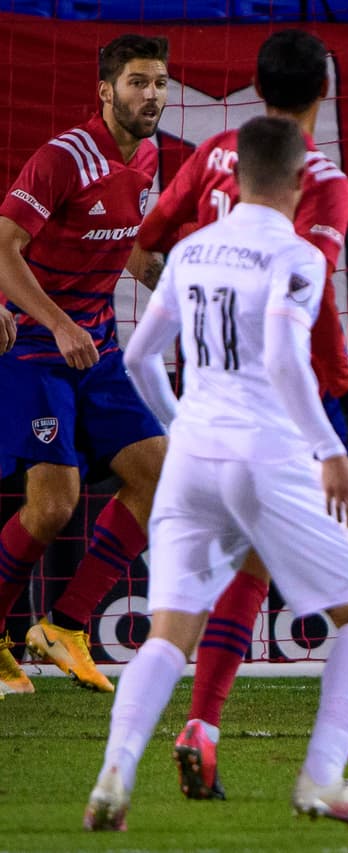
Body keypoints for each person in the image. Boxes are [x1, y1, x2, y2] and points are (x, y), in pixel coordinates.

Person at [128, 30, 348, 794]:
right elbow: (308, 310)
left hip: (216, 393)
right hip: (297, 395)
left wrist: (201, 313)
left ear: (255, 86)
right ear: (325, 93)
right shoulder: (320, 176)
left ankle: (201, 726)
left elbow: (147, 248)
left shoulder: (216, 149)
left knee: (247, 555)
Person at [85, 115, 348, 831]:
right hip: (268, 456)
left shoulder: (191, 250)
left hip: (192, 456)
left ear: (232, 176)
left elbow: (137, 359)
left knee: (168, 634)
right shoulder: (297, 255)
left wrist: (180, 422)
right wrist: (331, 452)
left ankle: (114, 773)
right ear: (297, 182)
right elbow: (290, 361)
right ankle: (322, 779)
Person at [0, 34, 171, 696]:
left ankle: (64, 626)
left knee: (157, 476)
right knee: (54, 506)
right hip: (37, 348)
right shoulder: (61, 158)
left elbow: (127, 241)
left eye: (158, 82)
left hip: (93, 348)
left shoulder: (147, 156)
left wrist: (175, 286)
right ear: (106, 91)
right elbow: (5, 246)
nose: (150, 94)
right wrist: (59, 322)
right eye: (136, 82)